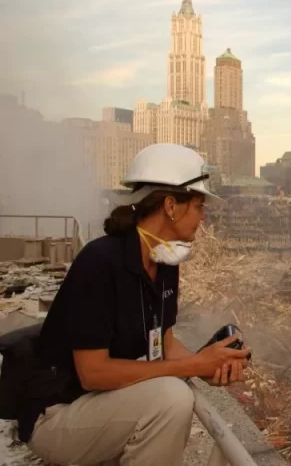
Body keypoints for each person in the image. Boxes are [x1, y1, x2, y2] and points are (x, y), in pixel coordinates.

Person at [17, 143, 251, 466]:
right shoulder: (100, 263)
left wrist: (208, 365)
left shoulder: (166, 262)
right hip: (57, 413)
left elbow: (165, 344)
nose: (204, 216)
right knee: (172, 399)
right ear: (171, 206)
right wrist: (192, 367)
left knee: (172, 395)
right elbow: (92, 373)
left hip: (98, 403)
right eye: (198, 206)